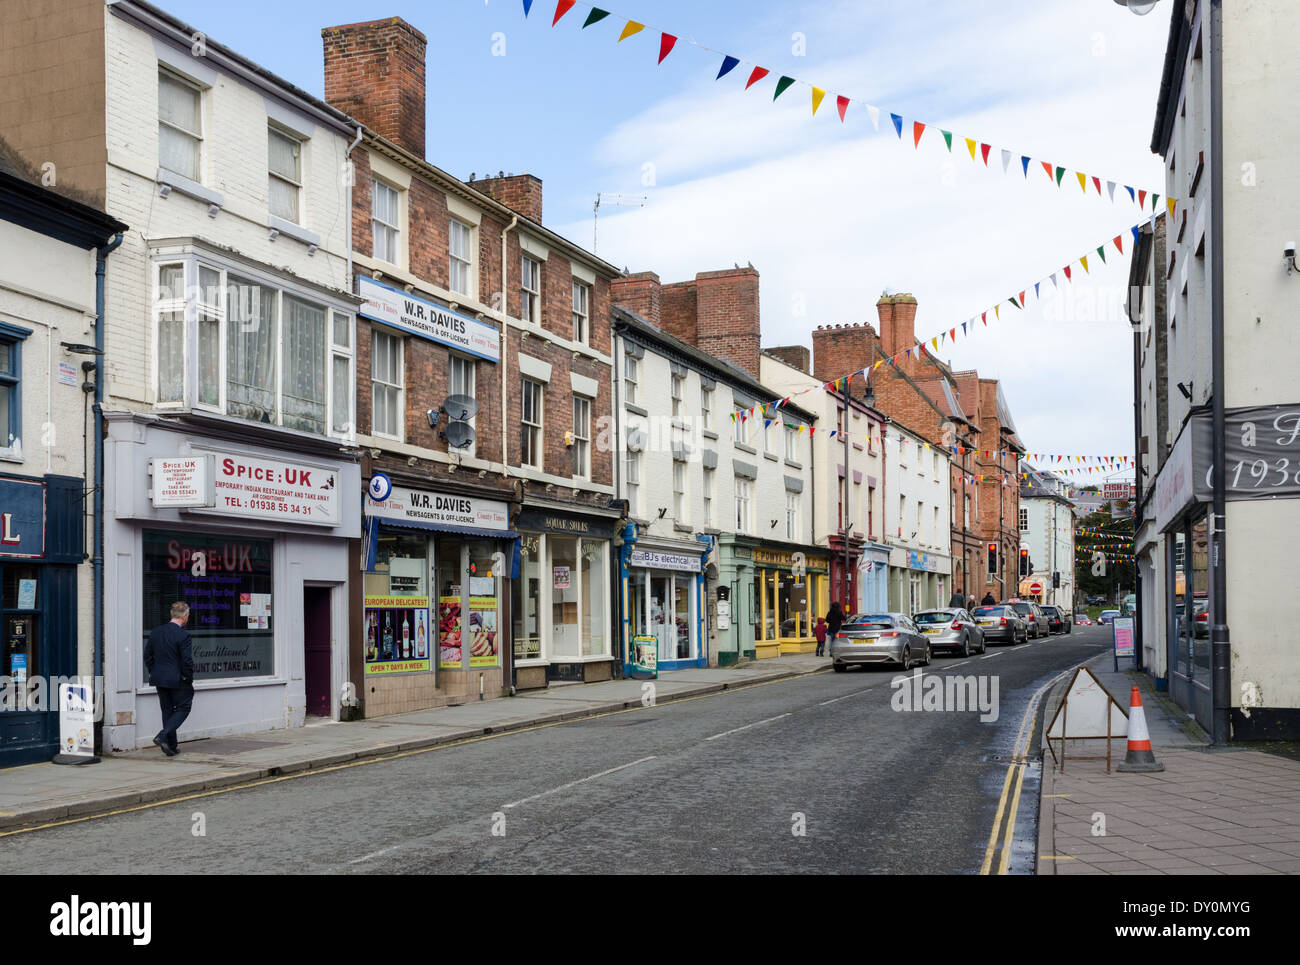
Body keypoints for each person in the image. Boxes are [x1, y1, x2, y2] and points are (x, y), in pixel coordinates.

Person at [144, 601, 194, 757]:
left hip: (159, 678)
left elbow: (147, 656)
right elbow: (187, 661)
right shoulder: (183, 635)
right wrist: (188, 677)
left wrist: (155, 671)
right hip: (178, 679)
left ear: (172, 614)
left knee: (167, 710)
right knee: (184, 708)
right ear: (185, 616)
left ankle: (171, 746)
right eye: (188, 616)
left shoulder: (156, 632)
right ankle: (162, 735)